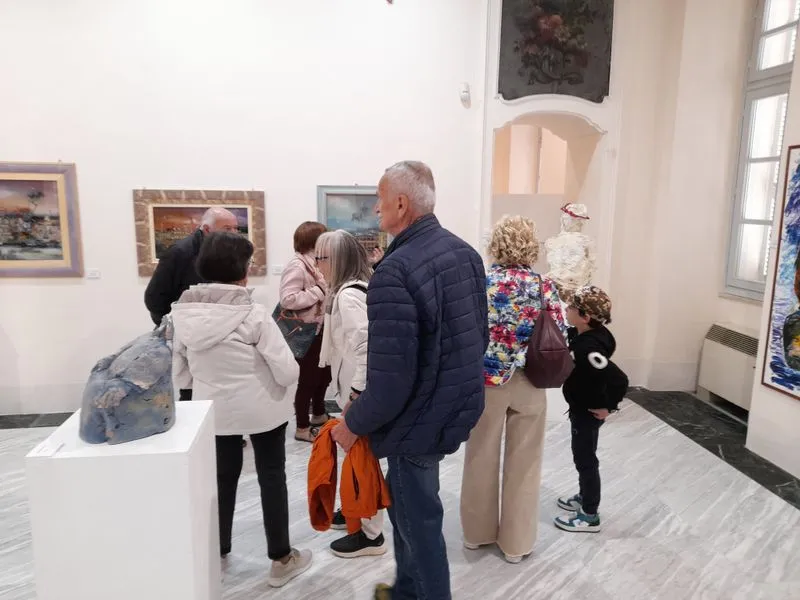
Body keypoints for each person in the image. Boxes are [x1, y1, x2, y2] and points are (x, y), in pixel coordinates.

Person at [330, 161, 488, 600]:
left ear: (401, 204)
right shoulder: (465, 253)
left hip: (415, 419)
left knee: (418, 525)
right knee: (409, 514)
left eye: (379, 201)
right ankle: (404, 591)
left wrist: (353, 423)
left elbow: (391, 380)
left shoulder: (395, 272)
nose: (375, 210)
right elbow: (478, 337)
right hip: (449, 407)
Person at [170, 232, 312, 588]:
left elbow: (180, 372)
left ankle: (218, 547)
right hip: (263, 409)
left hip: (212, 411)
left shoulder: (182, 315)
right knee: (271, 476)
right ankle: (281, 557)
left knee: (221, 478)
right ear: (242, 271)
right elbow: (287, 370)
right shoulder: (254, 314)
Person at [460, 215, 566, 564]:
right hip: (530, 381)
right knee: (525, 463)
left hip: (487, 382)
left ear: (496, 244)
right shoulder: (543, 286)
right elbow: (561, 331)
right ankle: (516, 544)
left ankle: (476, 534)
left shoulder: (481, 283)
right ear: (531, 245)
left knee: (480, 456)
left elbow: (466, 332)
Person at [315, 229, 386, 559]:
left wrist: (356, 394)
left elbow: (366, 348)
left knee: (362, 459)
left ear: (337, 260)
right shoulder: (349, 290)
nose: (317, 265)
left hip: (359, 392)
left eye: (321, 258)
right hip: (353, 389)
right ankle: (357, 511)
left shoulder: (348, 296)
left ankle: (371, 534)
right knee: (356, 455)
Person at [554, 285, 627, 533]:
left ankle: (589, 514)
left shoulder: (588, 348)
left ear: (585, 316)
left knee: (585, 459)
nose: (566, 308)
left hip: (588, 411)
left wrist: (609, 407)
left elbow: (619, 379)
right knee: (585, 456)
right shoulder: (594, 334)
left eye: (572, 307)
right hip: (583, 406)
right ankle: (585, 496)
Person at [279, 221, 332, 442]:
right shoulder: (298, 265)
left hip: (320, 329)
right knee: (308, 380)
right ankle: (302, 426)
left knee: (324, 376)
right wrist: (318, 290)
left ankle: (319, 414)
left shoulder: (314, 262)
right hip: (306, 332)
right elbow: (288, 299)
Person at [145, 206, 239, 328]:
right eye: (227, 229)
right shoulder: (179, 252)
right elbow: (154, 298)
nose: (234, 233)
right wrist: (174, 326)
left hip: (216, 326)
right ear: (207, 229)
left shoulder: (229, 251)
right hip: (181, 328)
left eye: (235, 228)